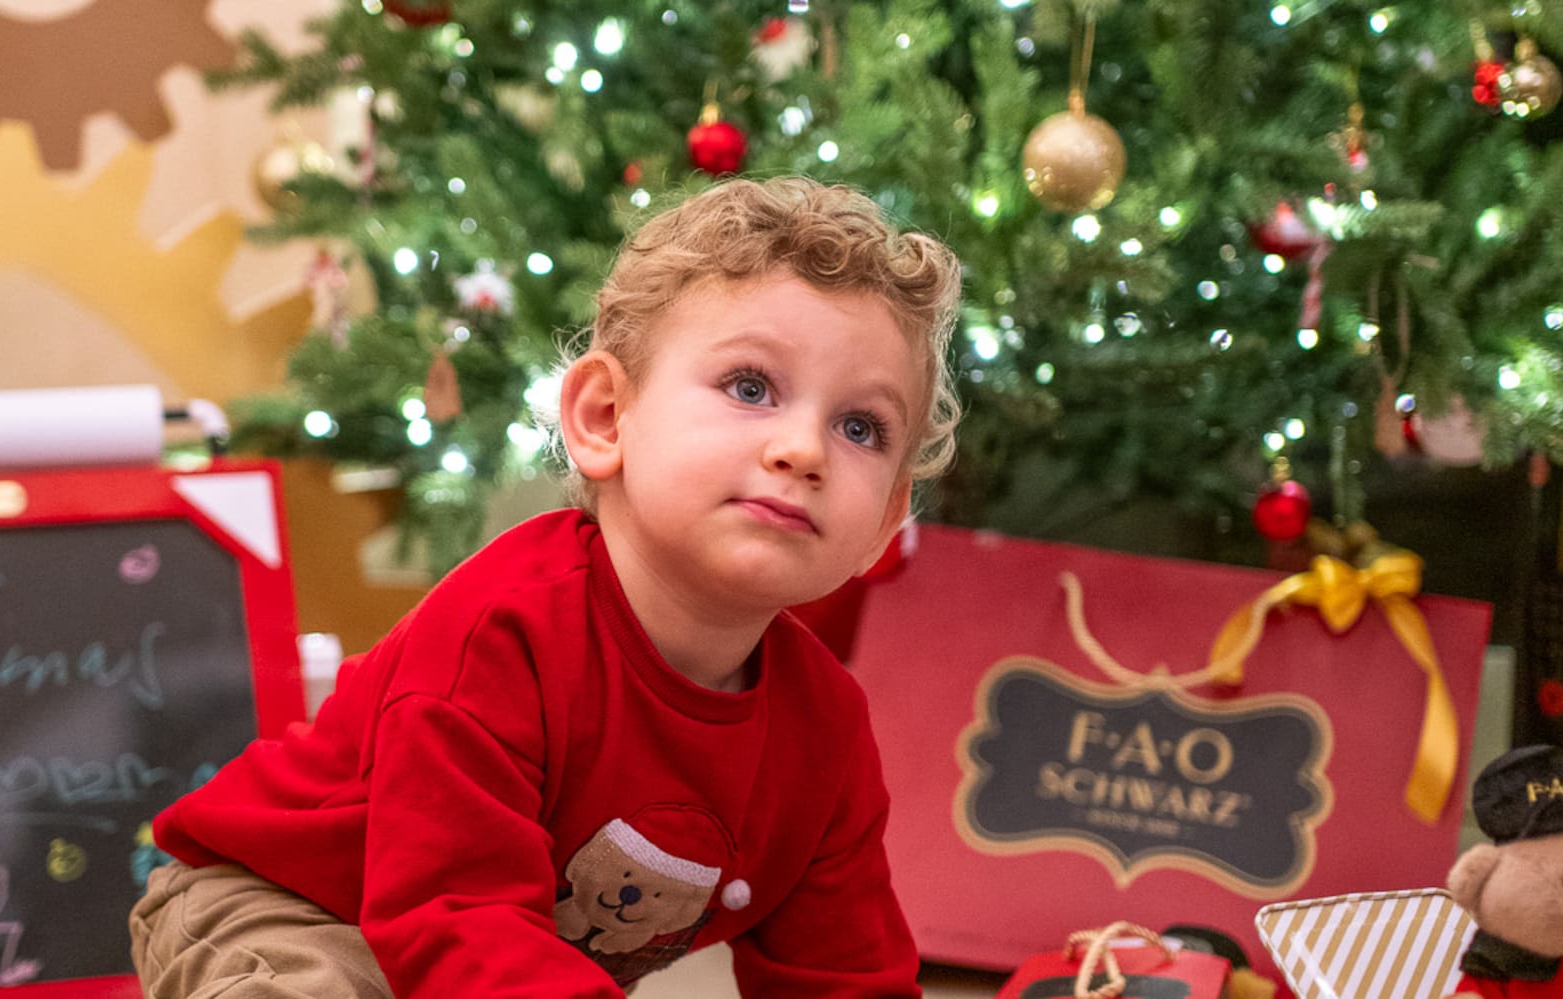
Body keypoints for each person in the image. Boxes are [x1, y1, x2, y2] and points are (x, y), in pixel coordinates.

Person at [130, 176, 962, 998]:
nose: (803, 448)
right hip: (288, 906)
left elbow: (843, 972)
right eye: (750, 387)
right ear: (605, 418)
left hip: (500, 956)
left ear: (887, 518)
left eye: (860, 427)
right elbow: (457, 913)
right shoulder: (503, 629)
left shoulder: (824, 728)